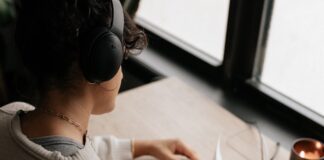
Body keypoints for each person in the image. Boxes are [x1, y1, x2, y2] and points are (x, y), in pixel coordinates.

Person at [0, 0, 199, 159]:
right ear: (102, 62)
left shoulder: (7, 115)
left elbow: (75, 148)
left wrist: (141, 147)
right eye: (121, 60)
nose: (120, 73)